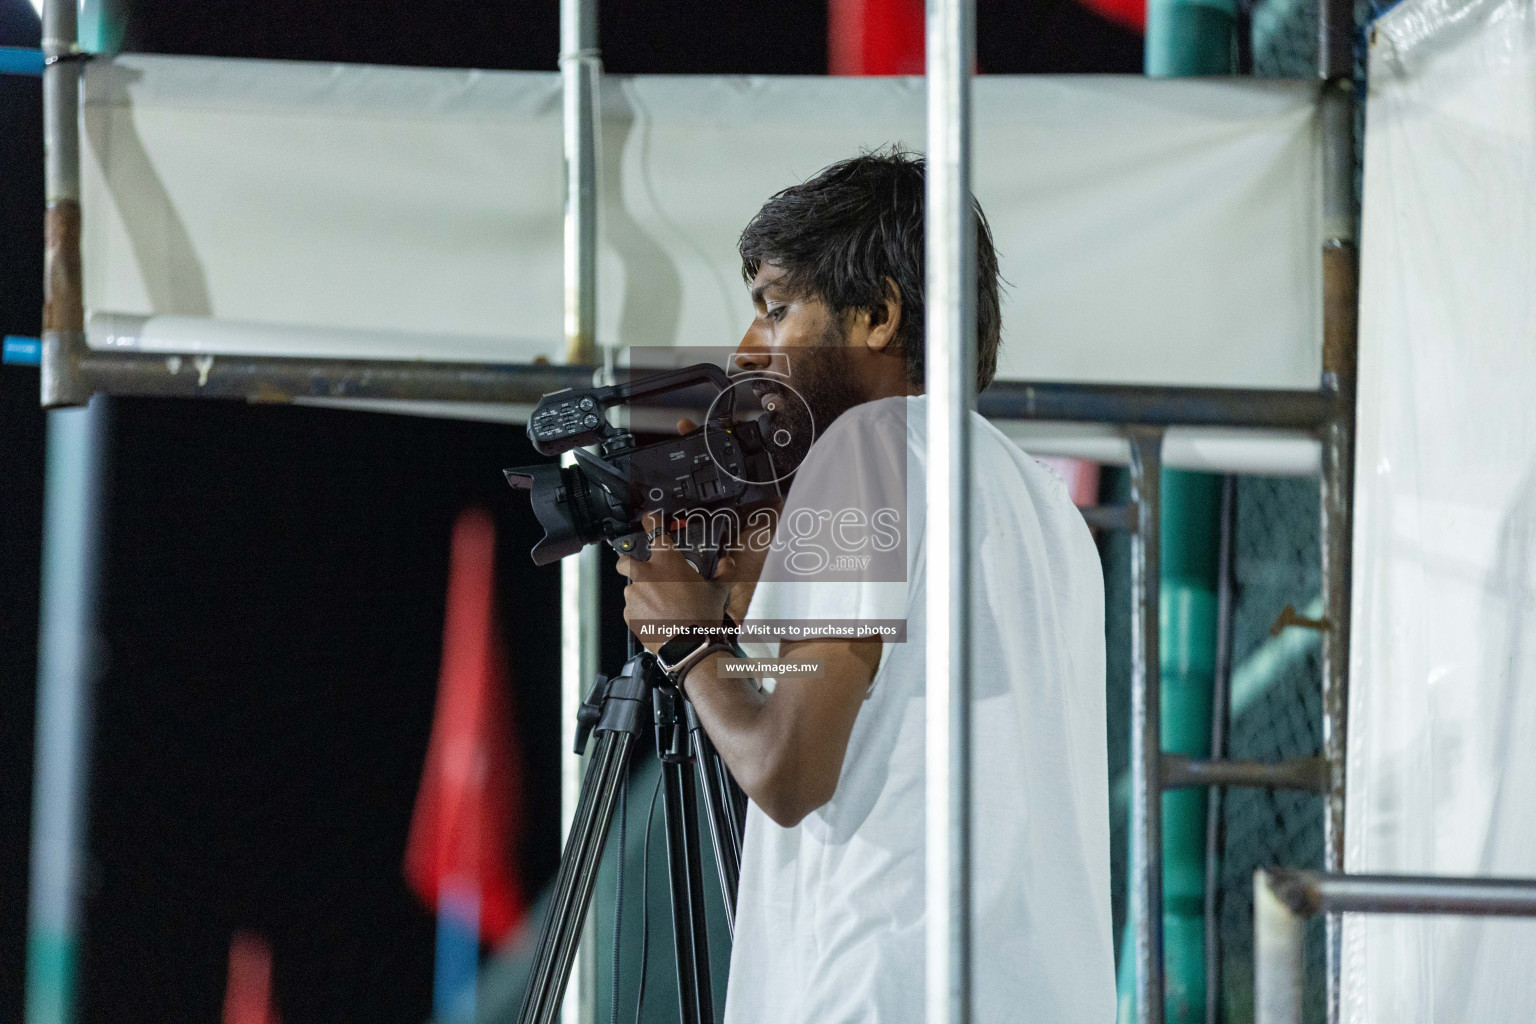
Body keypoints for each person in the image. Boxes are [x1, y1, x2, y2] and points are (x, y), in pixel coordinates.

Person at [617, 149, 1114, 1023]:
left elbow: (788, 768)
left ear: (879, 315)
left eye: (777, 309)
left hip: (879, 994)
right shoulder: (1042, 500)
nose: (745, 350)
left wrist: (690, 639)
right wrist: (757, 606)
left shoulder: (868, 441)